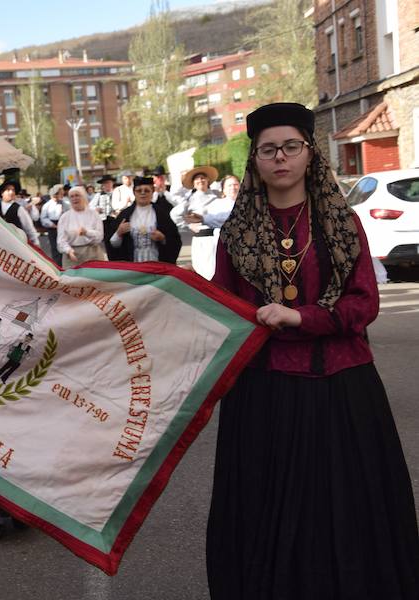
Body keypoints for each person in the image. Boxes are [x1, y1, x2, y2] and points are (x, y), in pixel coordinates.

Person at [207, 102, 419, 599]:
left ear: (309, 153)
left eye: (291, 147)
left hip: (341, 387)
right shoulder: (236, 234)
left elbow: (363, 303)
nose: (280, 158)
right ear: (255, 160)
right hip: (263, 388)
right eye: (268, 149)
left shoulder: (342, 225)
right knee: (267, 506)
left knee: (343, 506)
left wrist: (302, 317)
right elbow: (222, 305)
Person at [109, 176, 181, 263]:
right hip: (132, 264)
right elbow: (112, 244)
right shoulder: (125, 215)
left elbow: (175, 241)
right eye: (139, 190)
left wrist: (163, 238)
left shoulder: (161, 214)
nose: (143, 193)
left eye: (146, 190)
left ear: (152, 192)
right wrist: (119, 233)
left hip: (156, 262)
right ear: (134, 192)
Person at [171, 166, 221, 278]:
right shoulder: (190, 200)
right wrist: (188, 226)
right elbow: (175, 214)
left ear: (208, 180)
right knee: (205, 272)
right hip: (202, 240)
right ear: (193, 183)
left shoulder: (218, 195)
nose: (200, 181)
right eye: (197, 179)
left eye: (203, 178)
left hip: (219, 238)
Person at [56, 185, 106, 268]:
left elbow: (100, 236)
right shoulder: (65, 217)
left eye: (77, 195)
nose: (74, 198)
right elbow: (61, 240)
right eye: (71, 196)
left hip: (93, 252)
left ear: (83, 197)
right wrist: (68, 251)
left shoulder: (93, 214)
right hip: (72, 255)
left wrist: (87, 232)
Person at [0, 179, 40, 246]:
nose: (11, 192)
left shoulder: (19, 208)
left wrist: (36, 242)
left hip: (16, 243)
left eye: (13, 190)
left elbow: (29, 227)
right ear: (2, 193)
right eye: (8, 190)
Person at [40, 184, 69, 266]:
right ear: (55, 194)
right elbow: (43, 218)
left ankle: (65, 265)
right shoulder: (47, 205)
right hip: (52, 227)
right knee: (55, 248)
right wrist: (52, 225)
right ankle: (57, 265)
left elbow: (69, 214)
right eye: (60, 193)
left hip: (63, 226)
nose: (62, 195)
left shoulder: (65, 204)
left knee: (65, 246)